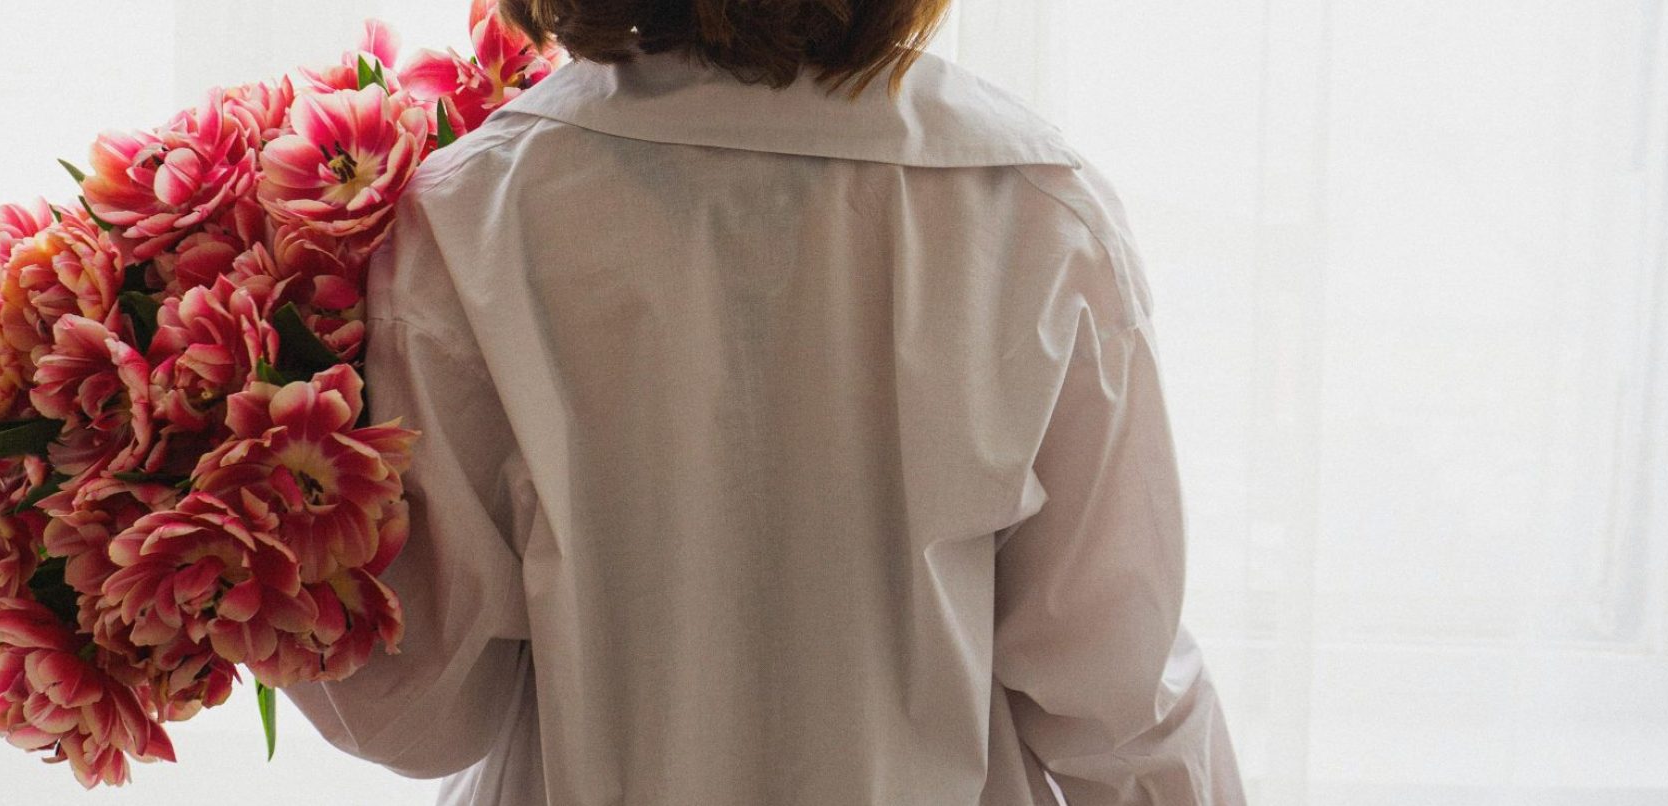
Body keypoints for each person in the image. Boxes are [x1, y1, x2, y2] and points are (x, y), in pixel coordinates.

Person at [279, 1, 1247, 803]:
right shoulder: (1035, 203)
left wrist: (247, 516)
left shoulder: (476, 208)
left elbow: (425, 713)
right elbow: (1112, 687)